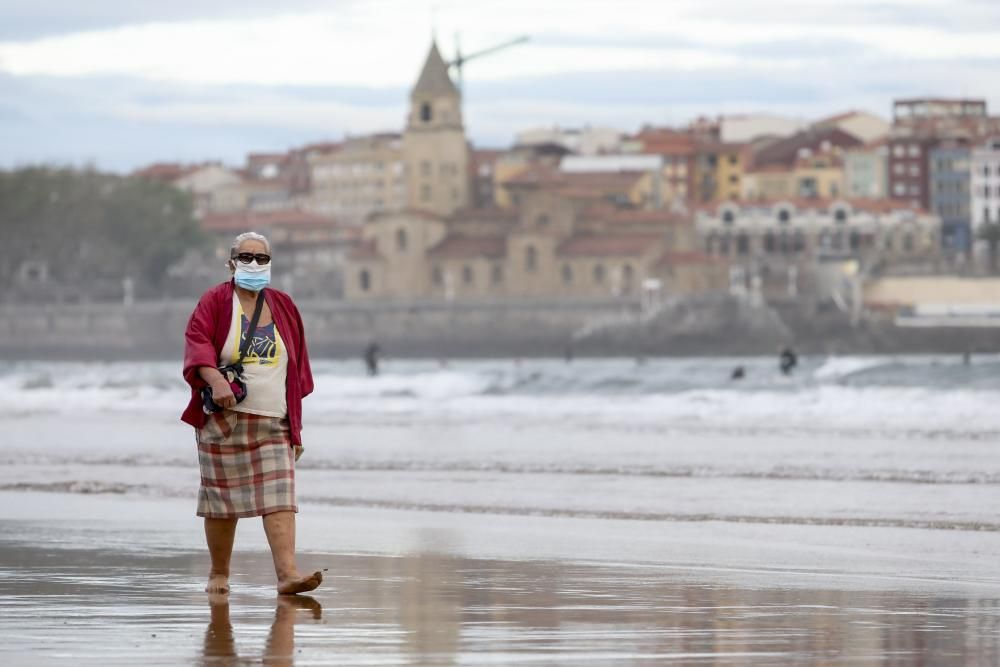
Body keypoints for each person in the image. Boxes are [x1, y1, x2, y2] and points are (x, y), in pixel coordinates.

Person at [181, 231, 321, 596]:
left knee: (280, 498)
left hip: (273, 419)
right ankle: (219, 572)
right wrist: (216, 380)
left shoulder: (284, 305)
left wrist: (294, 421)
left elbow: (297, 364)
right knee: (221, 503)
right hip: (224, 421)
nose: (254, 264)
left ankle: (287, 575)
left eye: (262, 258)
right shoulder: (214, 300)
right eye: (247, 257)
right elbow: (197, 345)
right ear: (231, 263)